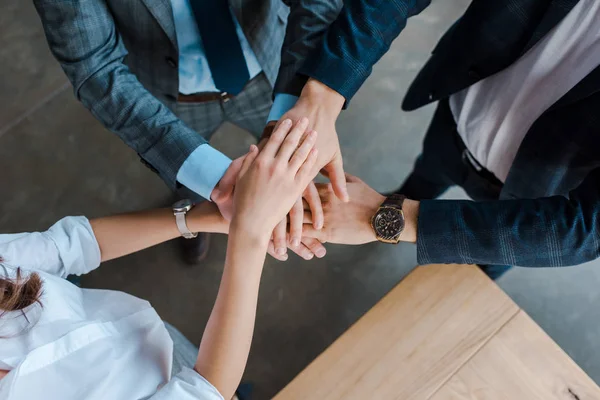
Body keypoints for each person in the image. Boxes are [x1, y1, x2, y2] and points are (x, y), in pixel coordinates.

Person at [278, 0, 600, 277]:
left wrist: (383, 217)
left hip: (530, 201)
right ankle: (405, 193)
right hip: (455, 119)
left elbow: (587, 230)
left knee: (476, 277)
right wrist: (323, 95)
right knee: (422, 176)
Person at [0, 120, 318, 399]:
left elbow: (70, 246)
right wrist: (250, 231)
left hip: (154, 339)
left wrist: (202, 218)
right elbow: (203, 391)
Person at [32, 0, 343, 264]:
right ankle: (196, 221)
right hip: (169, 99)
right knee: (192, 184)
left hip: (274, 72)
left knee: (297, 170)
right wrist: (215, 179)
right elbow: (94, 68)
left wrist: (289, 122)